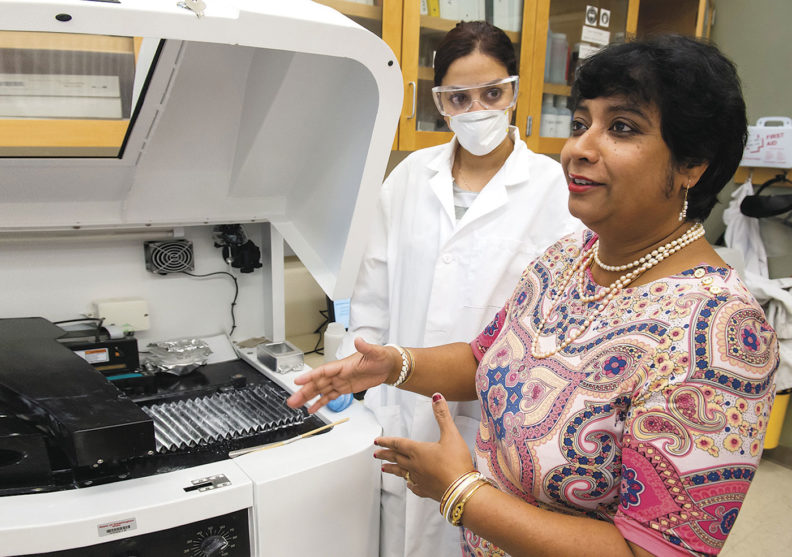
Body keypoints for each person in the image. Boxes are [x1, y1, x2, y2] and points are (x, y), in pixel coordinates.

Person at [293, 35, 780, 556]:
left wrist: (462, 493)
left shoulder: (720, 334)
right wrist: (394, 364)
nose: (578, 149)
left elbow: (656, 551)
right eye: (580, 124)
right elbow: (484, 357)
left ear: (693, 163)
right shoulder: (570, 257)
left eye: (621, 127)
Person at [334, 20, 581, 557]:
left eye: (491, 94)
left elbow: (561, 327)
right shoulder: (408, 177)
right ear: (439, 101)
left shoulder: (554, 190)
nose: (477, 110)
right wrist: (360, 370)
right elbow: (372, 294)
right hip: (399, 409)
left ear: (514, 92)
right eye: (459, 97)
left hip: (498, 424)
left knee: (474, 537)